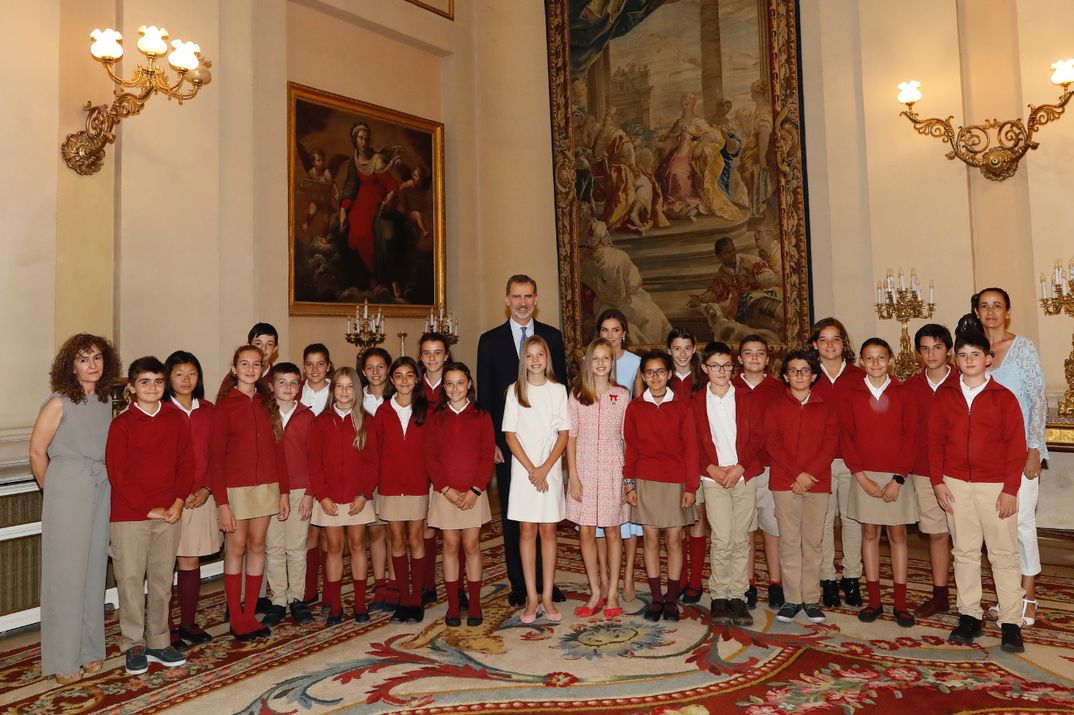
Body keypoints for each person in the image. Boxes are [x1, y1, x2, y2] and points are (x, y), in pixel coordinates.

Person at [929, 330, 1027, 653]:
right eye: (963, 355)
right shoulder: (945, 396)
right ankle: (969, 615)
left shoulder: (1004, 397)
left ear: (988, 359)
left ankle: (1011, 621)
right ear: (956, 361)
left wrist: (1010, 489)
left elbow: (1016, 447)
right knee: (965, 552)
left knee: (1003, 553)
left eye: (975, 355)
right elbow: (935, 442)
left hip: (995, 486)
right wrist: (938, 482)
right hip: (955, 484)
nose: (969, 360)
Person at [29, 334, 120, 683]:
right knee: (66, 576)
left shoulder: (105, 399)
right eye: (84, 359)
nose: (92, 364)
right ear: (71, 365)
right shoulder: (59, 402)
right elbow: (38, 452)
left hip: (101, 485)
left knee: (94, 570)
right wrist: (52, 490)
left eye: (97, 357)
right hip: (67, 487)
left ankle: (89, 649)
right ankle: (64, 661)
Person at [477, 274, 568, 607]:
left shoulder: (553, 338)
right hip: (509, 445)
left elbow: (563, 390)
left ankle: (547, 585)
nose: (522, 302)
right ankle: (519, 584)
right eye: (516, 296)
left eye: (528, 296)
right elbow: (485, 397)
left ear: (536, 298)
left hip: (546, 448)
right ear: (506, 299)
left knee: (546, 519)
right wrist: (492, 443)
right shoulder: (489, 341)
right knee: (515, 518)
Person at [106, 356, 193, 674]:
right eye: (145, 382)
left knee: (160, 581)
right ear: (131, 388)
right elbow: (118, 474)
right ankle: (133, 644)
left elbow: (186, 463)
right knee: (129, 580)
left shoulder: (175, 419)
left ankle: (158, 641)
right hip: (130, 516)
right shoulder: (121, 425)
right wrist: (146, 508)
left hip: (169, 513)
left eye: (158, 381)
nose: (153, 387)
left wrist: (180, 501)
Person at [971, 288, 1048, 627]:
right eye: (984, 306)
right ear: (976, 312)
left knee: (1022, 525)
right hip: (986, 458)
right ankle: (1008, 596)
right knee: (997, 530)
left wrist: (1034, 450)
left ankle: (1029, 594)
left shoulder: (1023, 349)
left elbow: (1038, 401)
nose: (990, 312)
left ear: (1008, 312)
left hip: (1021, 453)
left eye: (997, 306)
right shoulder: (973, 352)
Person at [211, 345, 290, 641]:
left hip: (267, 487)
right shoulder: (225, 406)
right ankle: (235, 616)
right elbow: (216, 458)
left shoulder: (267, 402)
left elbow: (279, 450)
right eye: (244, 364)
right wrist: (222, 503)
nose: (250, 369)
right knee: (236, 547)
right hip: (235, 489)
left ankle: (249, 615)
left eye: (255, 364)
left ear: (262, 370)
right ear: (234, 369)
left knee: (258, 546)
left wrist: (283, 491)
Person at [841, 338, 920, 628]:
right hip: (864, 474)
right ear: (861, 361)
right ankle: (874, 601)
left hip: (897, 476)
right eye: (869, 358)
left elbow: (912, 437)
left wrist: (898, 478)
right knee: (870, 534)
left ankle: (900, 604)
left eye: (881, 358)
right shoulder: (852, 393)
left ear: (890, 361)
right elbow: (845, 436)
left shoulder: (904, 392)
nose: (875, 363)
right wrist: (860, 475)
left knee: (897, 536)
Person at [691, 342, 763, 627]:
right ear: (705, 369)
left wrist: (740, 467)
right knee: (722, 538)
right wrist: (711, 468)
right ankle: (719, 596)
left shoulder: (747, 398)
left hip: (744, 475)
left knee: (741, 536)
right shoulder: (696, 402)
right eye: (715, 366)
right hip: (713, 477)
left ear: (734, 368)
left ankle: (738, 597)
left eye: (726, 366)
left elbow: (758, 436)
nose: (721, 371)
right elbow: (694, 441)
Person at [624, 351, 699, 623]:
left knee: (675, 540)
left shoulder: (682, 407)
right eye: (649, 372)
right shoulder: (634, 408)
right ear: (643, 377)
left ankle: (672, 598)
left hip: (676, 482)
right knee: (651, 540)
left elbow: (691, 450)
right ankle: (656, 598)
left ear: (669, 374)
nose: (655, 377)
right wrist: (629, 484)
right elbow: (630, 448)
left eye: (660, 372)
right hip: (645, 481)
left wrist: (691, 487)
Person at [765, 350, 838, 624]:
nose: (799, 375)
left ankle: (811, 599)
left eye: (804, 370)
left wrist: (809, 475)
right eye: (793, 371)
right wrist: (797, 474)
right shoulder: (774, 407)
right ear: (785, 376)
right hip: (785, 482)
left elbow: (830, 445)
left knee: (813, 542)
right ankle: (792, 599)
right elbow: (773, 443)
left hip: (817, 484)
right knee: (789, 541)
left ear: (814, 375)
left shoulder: (826, 407)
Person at [504, 335, 571, 623]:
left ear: (547, 358)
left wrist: (544, 468)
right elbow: (509, 434)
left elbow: (564, 434)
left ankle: (546, 596)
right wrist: (533, 469)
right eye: (529, 355)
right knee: (526, 531)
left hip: (550, 470)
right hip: (523, 472)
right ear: (524, 359)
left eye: (539, 354)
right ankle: (531, 596)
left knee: (548, 532)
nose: (535, 360)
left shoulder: (558, 390)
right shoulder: (514, 390)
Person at [425, 362, 495, 627]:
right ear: (444, 387)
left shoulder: (481, 416)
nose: (455, 388)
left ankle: (475, 604)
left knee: (472, 545)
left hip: (473, 493)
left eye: (460, 383)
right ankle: (454, 605)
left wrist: (476, 489)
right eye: (450, 383)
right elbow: (430, 456)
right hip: (445, 494)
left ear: (469, 385)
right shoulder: (436, 417)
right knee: (451, 546)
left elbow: (487, 454)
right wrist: (445, 489)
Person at [307, 367, 378, 624]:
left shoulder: (367, 421)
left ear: (356, 391)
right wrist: (322, 496)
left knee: (358, 546)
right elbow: (313, 463)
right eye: (340, 386)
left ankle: (360, 603)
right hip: (330, 499)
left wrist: (363, 494)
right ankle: (335, 606)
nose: (345, 391)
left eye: (350, 387)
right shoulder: (321, 422)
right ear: (332, 390)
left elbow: (373, 463)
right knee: (334, 548)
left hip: (358, 498)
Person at [566, 339, 630, 619]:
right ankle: (595, 591)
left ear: (612, 362)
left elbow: (628, 438)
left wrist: (629, 479)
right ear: (588, 363)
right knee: (587, 532)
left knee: (614, 531)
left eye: (606, 358)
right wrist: (574, 477)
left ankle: (613, 591)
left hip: (614, 469)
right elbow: (571, 437)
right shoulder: (578, 394)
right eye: (596, 359)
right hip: (584, 470)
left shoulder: (622, 394)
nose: (601, 363)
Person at [163, 350, 219, 649]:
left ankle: (187, 622)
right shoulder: (160, 411)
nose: (186, 380)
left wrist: (207, 488)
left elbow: (217, 454)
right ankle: (166, 626)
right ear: (169, 377)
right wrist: (177, 494)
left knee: (190, 559)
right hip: (169, 499)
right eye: (179, 374)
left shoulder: (209, 411)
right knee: (164, 562)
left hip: (200, 497)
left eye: (191, 373)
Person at [809, 317, 865, 608]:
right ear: (814, 345)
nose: (830, 345)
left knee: (852, 519)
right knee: (824, 521)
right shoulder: (807, 376)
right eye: (823, 340)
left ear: (844, 343)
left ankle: (852, 577)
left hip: (853, 461)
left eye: (835, 339)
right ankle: (828, 577)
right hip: (820, 462)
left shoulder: (859, 376)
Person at [906, 324, 958, 619]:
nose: (931, 354)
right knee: (936, 533)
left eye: (937, 347)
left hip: (961, 471)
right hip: (925, 472)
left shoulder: (964, 379)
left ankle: (968, 596)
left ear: (948, 350)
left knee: (965, 538)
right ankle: (940, 595)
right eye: (924, 348)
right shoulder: (911, 387)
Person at [374, 356, 430, 624]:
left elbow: (433, 450)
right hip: (391, 486)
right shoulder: (383, 412)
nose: (404, 381)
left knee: (416, 538)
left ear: (417, 379)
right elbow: (376, 450)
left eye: (410, 375)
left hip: (418, 484)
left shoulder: (427, 410)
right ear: (392, 380)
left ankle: (416, 599)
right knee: (396, 540)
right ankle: (403, 598)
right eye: (399, 376)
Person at [593, 309, 644, 602]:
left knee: (628, 521)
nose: (610, 336)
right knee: (601, 523)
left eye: (615, 330)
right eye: (604, 330)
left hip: (625, 447)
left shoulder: (635, 363)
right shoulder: (593, 363)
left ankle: (627, 578)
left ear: (624, 332)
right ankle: (602, 575)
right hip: (598, 452)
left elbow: (636, 407)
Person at [263, 363, 316, 626]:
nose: (288, 388)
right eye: (282, 382)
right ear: (271, 386)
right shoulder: (263, 414)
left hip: (299, 490)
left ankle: (297, 598)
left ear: (300, 386)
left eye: (294, 383)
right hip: (270, 490)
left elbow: (316, 458)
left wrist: (309, 493)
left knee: (296, 547)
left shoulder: (308, 417)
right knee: (274, 548)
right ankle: (278, 600)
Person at [736, 335, 785, 609]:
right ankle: (749, 582)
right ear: (740, 359)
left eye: (760, 353)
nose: (754, 357)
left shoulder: (779, 389)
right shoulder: (729, 388)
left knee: (772, 526)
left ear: (767, 359)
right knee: (745, 528)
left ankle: (776, 582)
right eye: (748, 352)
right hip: (740, 469)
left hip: (769, 467)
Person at [667, 328, 706, 605]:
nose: (682, 354)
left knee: (697, 520)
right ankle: (679, 577)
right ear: (669, 350)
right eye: (677, 348)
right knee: (675, 522)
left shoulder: (703, 379)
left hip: (700, 459)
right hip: (669, 461)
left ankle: (695, 580)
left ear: (694, 350)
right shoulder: (660, 380)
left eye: (687, 348)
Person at [358, 347, 396, 611]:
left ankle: (395, 584)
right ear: (363, 372)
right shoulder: (356, 400)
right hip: (367, 476)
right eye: (370, 367)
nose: (375, 372)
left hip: (394, 476)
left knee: (395, 532)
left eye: (380, 367)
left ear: (389, 370)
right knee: (375, 532)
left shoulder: (399, 399)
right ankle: (379, 584)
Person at [297, 344, 333, 613]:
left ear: (328, 366)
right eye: (310, 364)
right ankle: (309, 589)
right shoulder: (294, 393)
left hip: (335, 472)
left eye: (320, 364)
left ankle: (331, 589)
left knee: (332, 537)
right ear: (303, 367)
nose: (315, 369)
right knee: (310, 534)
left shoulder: (340, 391)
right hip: (305, 472)